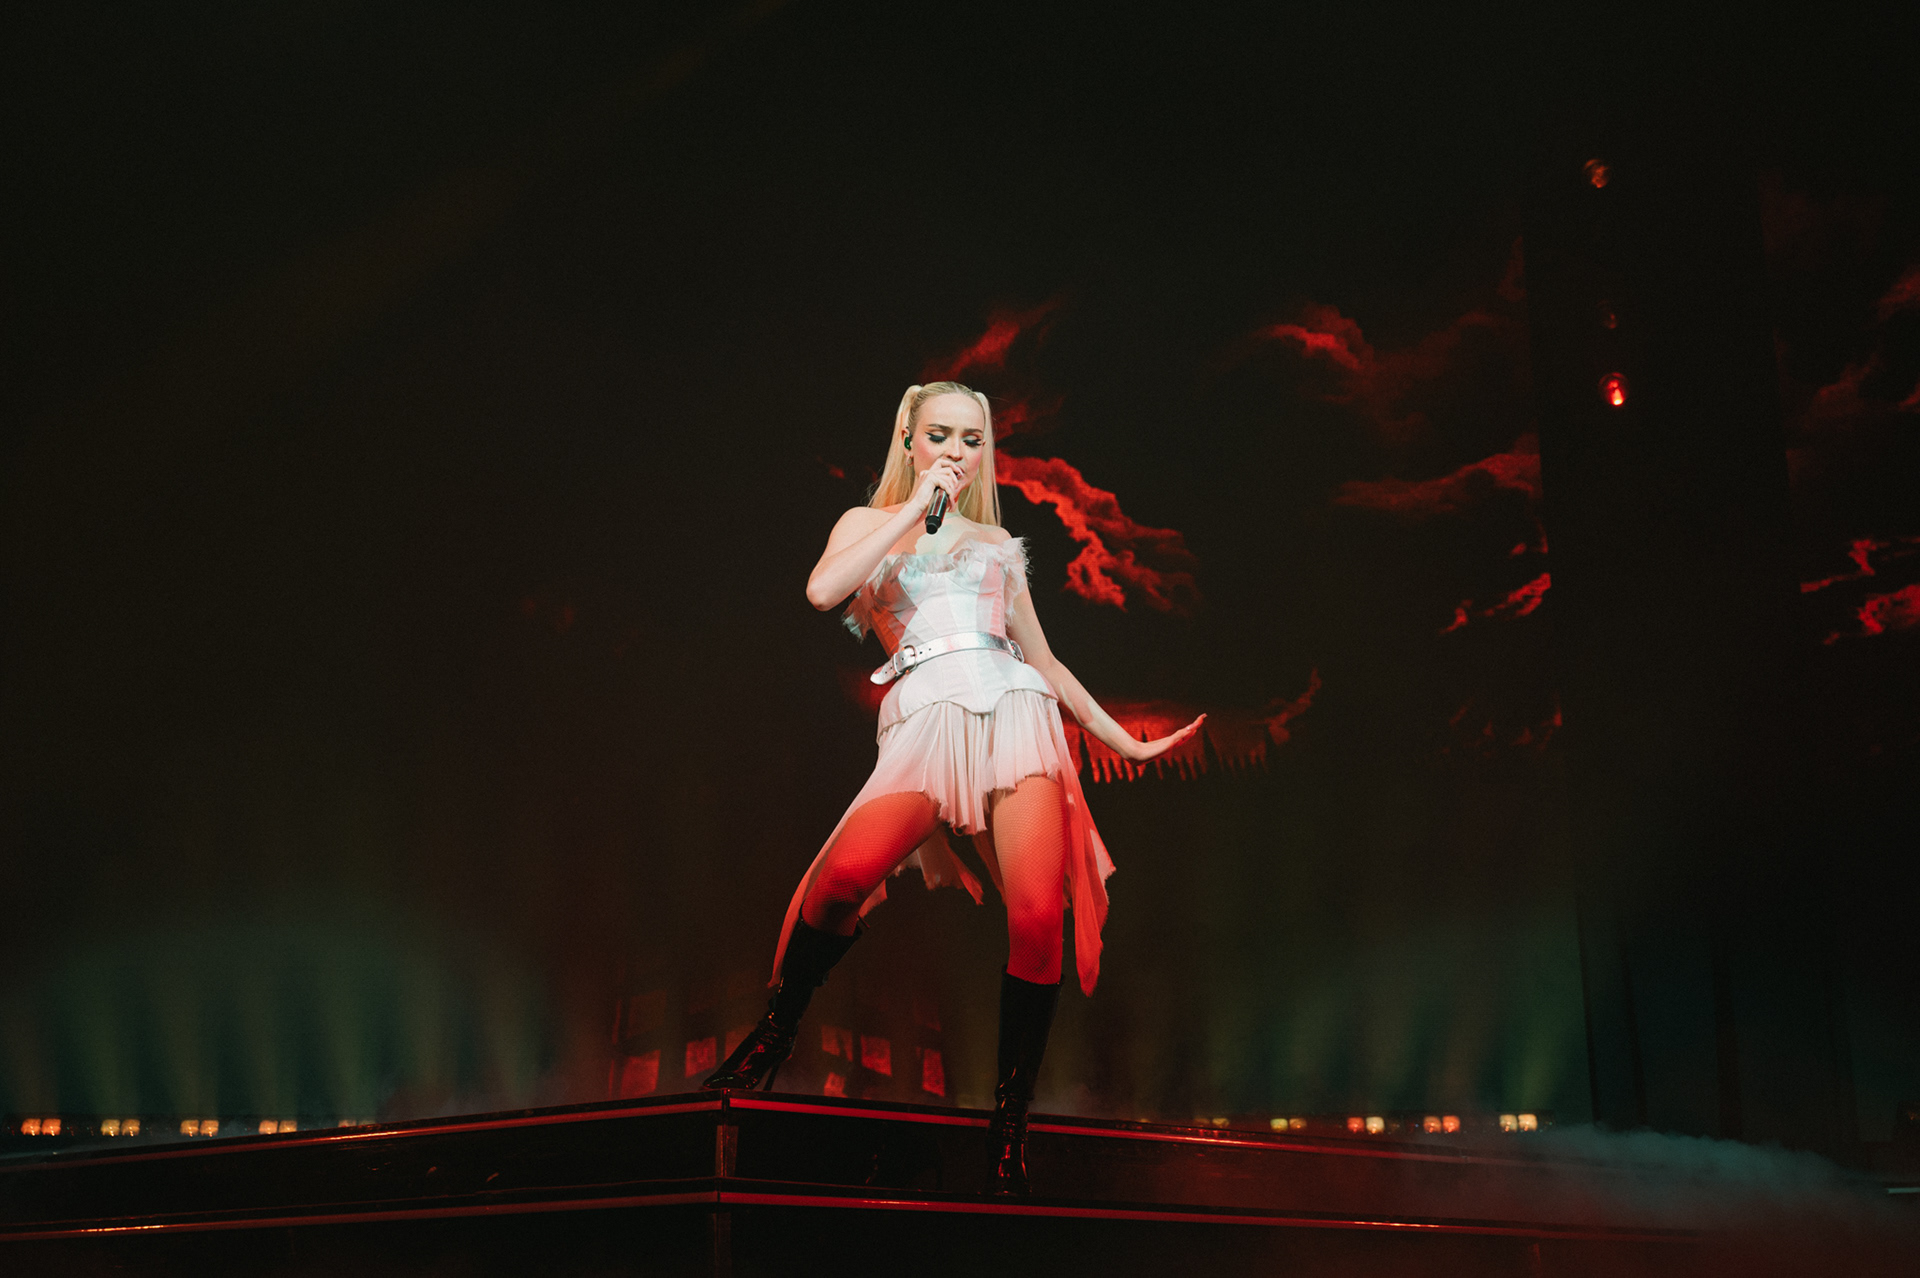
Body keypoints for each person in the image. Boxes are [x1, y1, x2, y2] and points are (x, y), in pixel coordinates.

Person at [702, 381, 1202, 1195]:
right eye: (940, 435)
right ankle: (774, 1035)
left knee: (1036, 916)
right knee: (840, 883)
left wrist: (1125, 743)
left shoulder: (996, 541)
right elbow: (823, 592)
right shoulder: (866, 524)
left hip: (1013, 709)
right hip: (926, 718)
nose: (957, 454)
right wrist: (912, 509)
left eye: (972, 440)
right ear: (908, 436)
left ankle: (1009, 1125)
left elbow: (1045, 659)